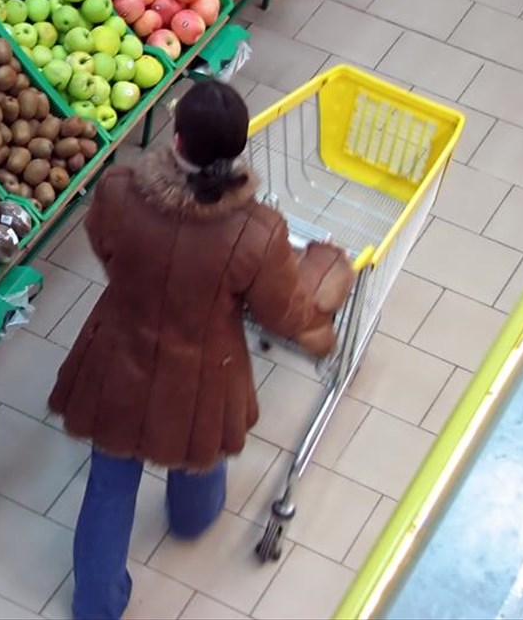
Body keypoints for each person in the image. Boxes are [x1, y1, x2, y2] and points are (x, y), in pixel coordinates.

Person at [47, 81, 353, 620]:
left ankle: (96, 605)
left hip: (115, 357)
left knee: (109, 485)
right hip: (202, 375)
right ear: (237, 150)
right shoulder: (256, 233)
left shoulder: (119, 191)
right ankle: (192, 518)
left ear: (178, 138)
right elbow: (282, 313)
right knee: (200, 448)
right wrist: (323, 307)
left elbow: (106, 247)